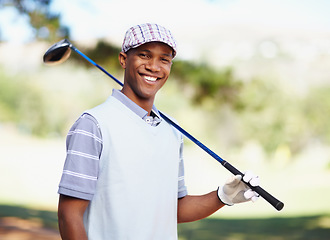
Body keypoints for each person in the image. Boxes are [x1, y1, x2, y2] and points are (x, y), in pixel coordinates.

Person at [57, 23, 260, 240]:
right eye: (144, 55)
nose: (154, 67)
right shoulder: (93, 125)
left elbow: (174, 209)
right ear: (124, 59)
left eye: (164, 59)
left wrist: (223, 196)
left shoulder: (172, 130)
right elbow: (69, 215)